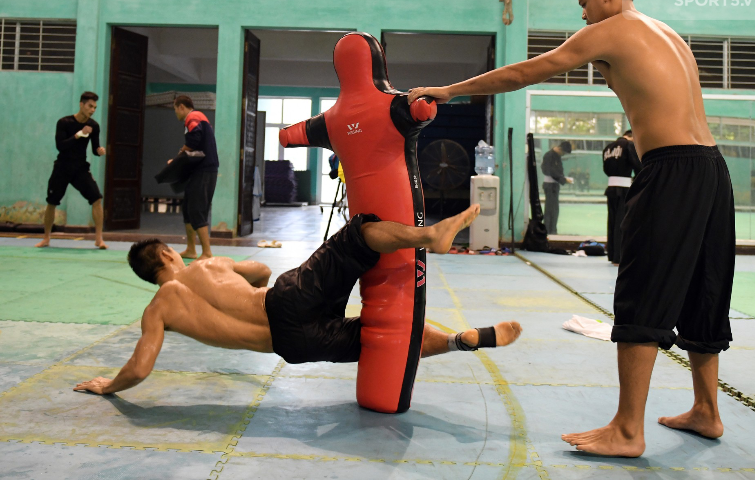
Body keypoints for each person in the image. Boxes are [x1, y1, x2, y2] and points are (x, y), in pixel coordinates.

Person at [408, 0, 734, 457]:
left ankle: (627, 430)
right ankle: (707, 412)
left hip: (670, 171)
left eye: (584, 4)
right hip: (711, 169)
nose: (583, 17)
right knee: (703, 290)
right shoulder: (667, 33)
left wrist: (450, 91)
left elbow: (524, 72)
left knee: (643, 287)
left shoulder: (612, 29)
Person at [73, 205, 522, 395]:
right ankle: (430, 235)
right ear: (169, 254)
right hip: (283, 302)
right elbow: (264, 272)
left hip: (293, 345)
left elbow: (139, 369)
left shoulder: (159, 311)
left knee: (384, 338)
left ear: (148, 276)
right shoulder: (207, 266)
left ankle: (460, 342)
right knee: (357, 233)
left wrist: (106, 386)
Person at [36, 91, 107, 250]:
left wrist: (99, 151)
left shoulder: (94, 126)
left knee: (96, 198)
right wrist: (79, 135)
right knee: (52, 202)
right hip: (62, 167)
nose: (92, 110)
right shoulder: (64, 122)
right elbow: (60, 146)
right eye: (90, 106)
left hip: (80, 168)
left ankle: (99, 239)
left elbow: (95, 148)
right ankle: (46, 238)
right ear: (81, 104)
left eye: (95, 107)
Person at [171, 95, 219, 260]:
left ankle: (207, 252)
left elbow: (194, 139)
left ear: (181, 107)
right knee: (188, 209)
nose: (176, 113)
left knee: (197, 209)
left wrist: (180, 154)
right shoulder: (198, 117)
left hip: (205, 170)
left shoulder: (193, 117)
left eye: (175, 109)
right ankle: (191, 249)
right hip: (199, 170)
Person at [602, 129, 642, 265]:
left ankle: (612, 254)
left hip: (611, 188)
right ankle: (619, 257)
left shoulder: (608, 148)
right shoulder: (629, 146)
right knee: (622, 222)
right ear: (632, 137)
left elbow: (606, 169)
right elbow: (638, 165)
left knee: (612, 221)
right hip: (624, 189)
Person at [540, 141, 574, 234]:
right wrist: (562, 179)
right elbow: (548, 171)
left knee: (554, 209)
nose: (563, 155)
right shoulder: (549, 155)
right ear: (560, 149)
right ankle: (548, 230)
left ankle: (553, 230)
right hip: (550, 185)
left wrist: (563, 178)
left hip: (554, 185)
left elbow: (557, 171)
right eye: (563, 153)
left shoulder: (557, 156)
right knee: (550, 209)